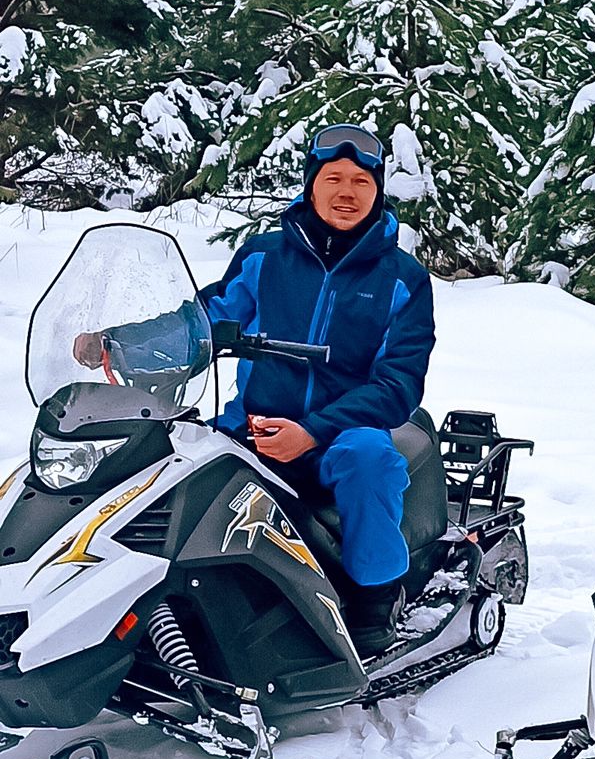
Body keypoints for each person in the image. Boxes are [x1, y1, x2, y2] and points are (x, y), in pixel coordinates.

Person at [77, 124, 435, 654]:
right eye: (333, 178)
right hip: (254, 423)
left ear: (377, 190)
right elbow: (201, 322)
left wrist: (312, 432)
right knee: (172, 466)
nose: (346, 192)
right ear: (311, 184)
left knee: (370, 461)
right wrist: (118, 344)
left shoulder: (402, 278)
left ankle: (373, 598)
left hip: (343, 435)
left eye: (361, 181)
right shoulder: (265, 257)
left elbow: (398, 383)